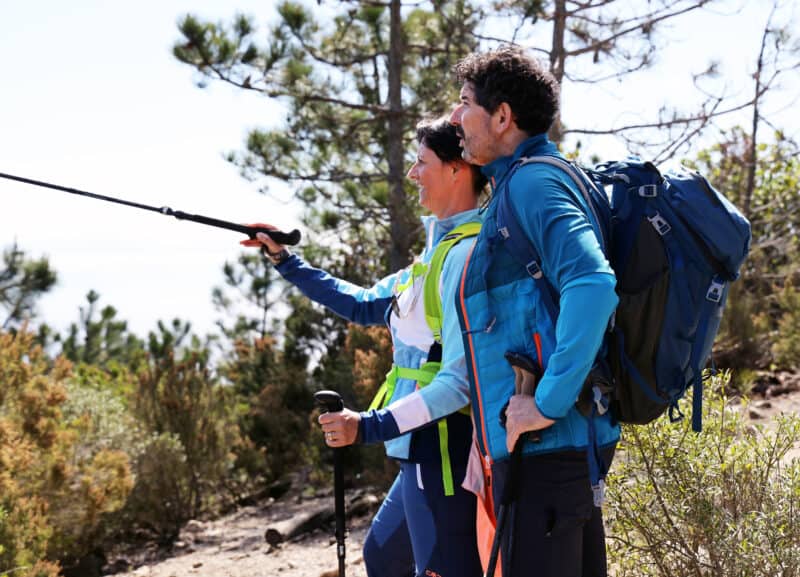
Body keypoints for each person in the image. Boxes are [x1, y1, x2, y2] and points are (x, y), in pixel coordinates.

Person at [243, 117, 485, 577]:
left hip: (443, 449)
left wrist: (367, 427)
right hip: (417, 446)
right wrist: (283, 259)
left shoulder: (463, 258)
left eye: (422, 162)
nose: (412, 173)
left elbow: (459, 384)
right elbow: (361, 304)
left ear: (457, 169)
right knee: (384, 556)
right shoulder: (433, 257)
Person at [448, 47, 620, 577]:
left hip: (548, 449)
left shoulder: (532, 183)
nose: (454, 116)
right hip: (554, 448)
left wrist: (544, 404)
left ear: (502, 117)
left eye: (464, 102)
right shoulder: (522, 181)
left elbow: (592, 285)